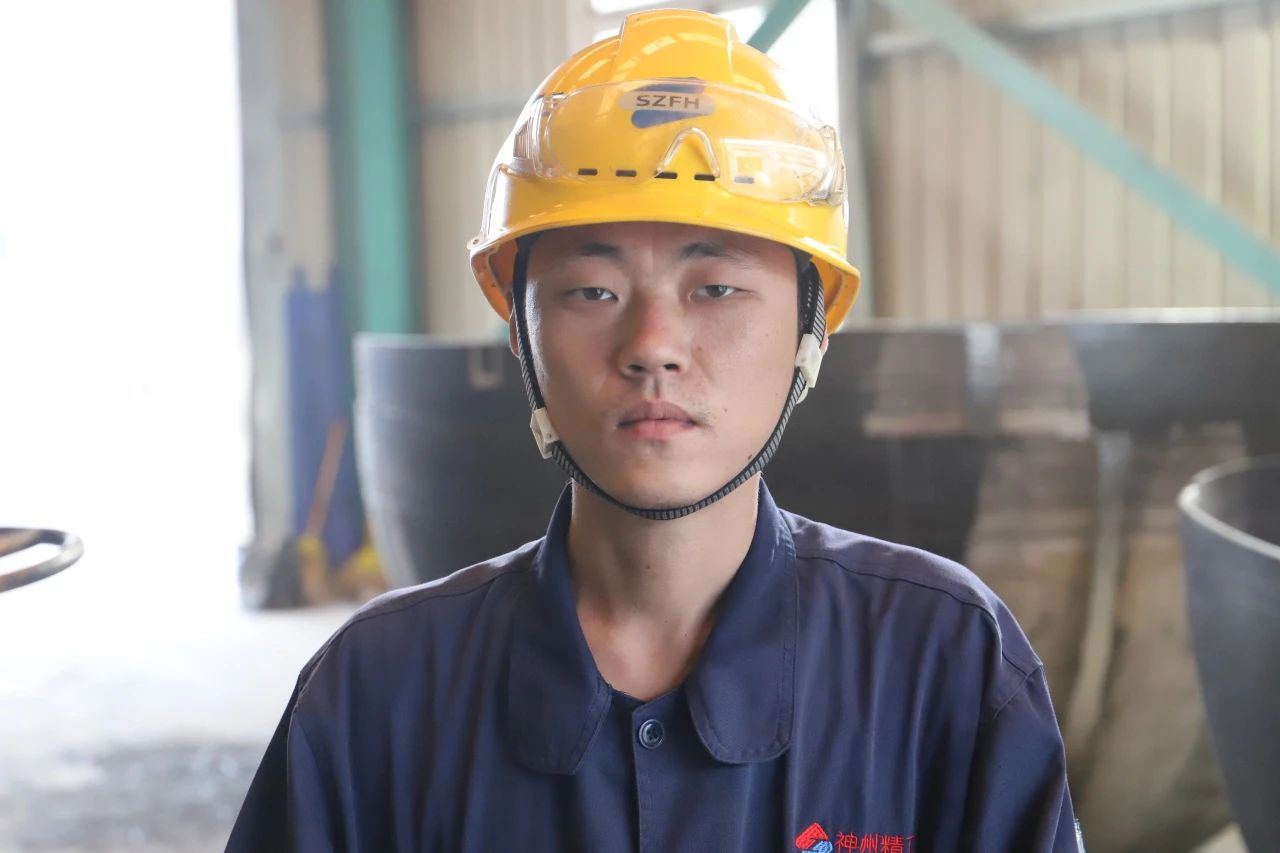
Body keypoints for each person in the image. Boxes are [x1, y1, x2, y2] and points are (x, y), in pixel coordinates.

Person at [227, 9, 1082, 851]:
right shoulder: (379, 690)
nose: (652, 346)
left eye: (716, 288)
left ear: (810, 329)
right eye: (592, 291)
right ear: (521, 332)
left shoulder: (943, 662)